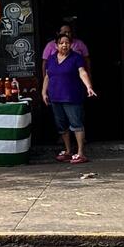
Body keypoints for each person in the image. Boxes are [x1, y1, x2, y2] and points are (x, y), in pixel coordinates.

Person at [42, 33, 97, 163]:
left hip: (72, 96)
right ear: (56, 45)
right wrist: (44, 92)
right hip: (55, 97)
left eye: (67, 43)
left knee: (76, 124)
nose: (64, 45)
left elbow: (82, 72)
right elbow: (47, 76)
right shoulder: (51, 59)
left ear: (70, 44)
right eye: (61, 43)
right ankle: (68, 151)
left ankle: (80, 153)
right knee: (62, 126)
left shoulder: (76, 57)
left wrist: (88, 86)